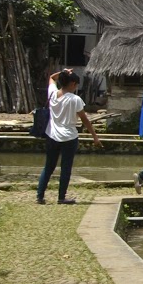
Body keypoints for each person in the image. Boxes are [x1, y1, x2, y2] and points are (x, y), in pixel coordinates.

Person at [39, 69, 101, 205]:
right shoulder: (75, 99)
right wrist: (95, 137)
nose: (76, 87)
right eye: (76, 84)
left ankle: (40, 196)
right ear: (72, 83)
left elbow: (51, 77)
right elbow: (85, 120)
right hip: (69, 137)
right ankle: (61, 197)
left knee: (48, 166)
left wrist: (62, 71)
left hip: (52, 135)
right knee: (65, 168)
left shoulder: (53, 93)